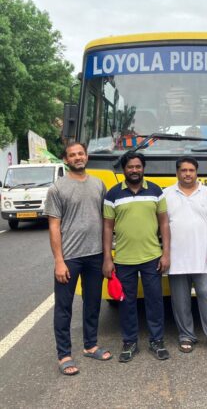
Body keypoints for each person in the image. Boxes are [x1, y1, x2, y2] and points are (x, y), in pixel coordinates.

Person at [44, 142, 112, 376]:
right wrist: (59, 261)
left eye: (80, 153)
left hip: (95, 255)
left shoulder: (98, 184)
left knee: (92, 303)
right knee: (64, 308)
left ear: (87, 156)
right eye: (72, 155)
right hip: (70, 257)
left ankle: (90, 345)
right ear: (66, 160)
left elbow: (106, 222)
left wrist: (107, 255)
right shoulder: (57, 189)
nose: (77, 157)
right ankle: (64, 355)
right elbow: (54, 227)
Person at [103, 151, 170, 362]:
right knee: (126, 303)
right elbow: (107, 228)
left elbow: (164, 224)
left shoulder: (156, 191)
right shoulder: (112, 194)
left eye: (138, 166)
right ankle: (130, 342)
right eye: (130, 167)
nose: (134, 170)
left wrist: (166, 253)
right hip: (123, 259)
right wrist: (107, 258)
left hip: (152, 257)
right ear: (124, 169)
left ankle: (157, 340)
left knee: (154, 301)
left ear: (143, 168)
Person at [164, 156, 207, 356]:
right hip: (176, 259)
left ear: (196, 172)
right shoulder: (166, 194)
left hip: (203, 258)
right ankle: (186, 336)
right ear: (177, 173)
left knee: (206, 295)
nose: (187, 174)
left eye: (191, 170)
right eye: (183, 170)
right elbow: (162, 227)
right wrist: (165, 254)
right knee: (180, 299)